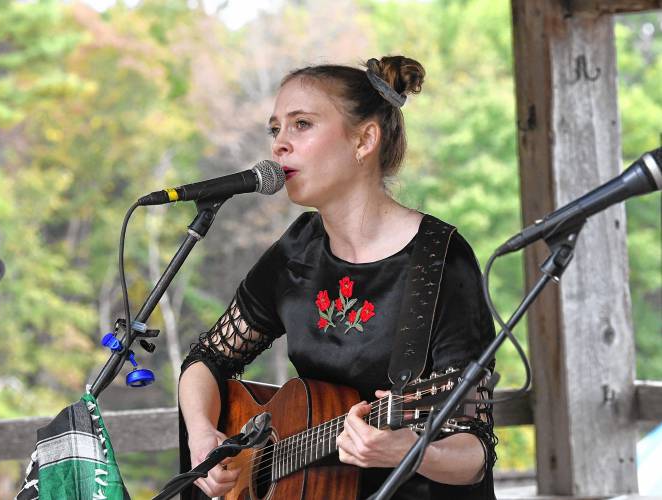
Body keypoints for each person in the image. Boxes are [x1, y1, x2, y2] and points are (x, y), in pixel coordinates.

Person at [177, 55, 497, 500]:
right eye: (275, 129)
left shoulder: (438, 261)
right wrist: (202, 441)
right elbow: (206, 360)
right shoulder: (297, 250)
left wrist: (412, 450)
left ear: (365, 140)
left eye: (301, 124)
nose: (279, 146)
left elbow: (474, 451)